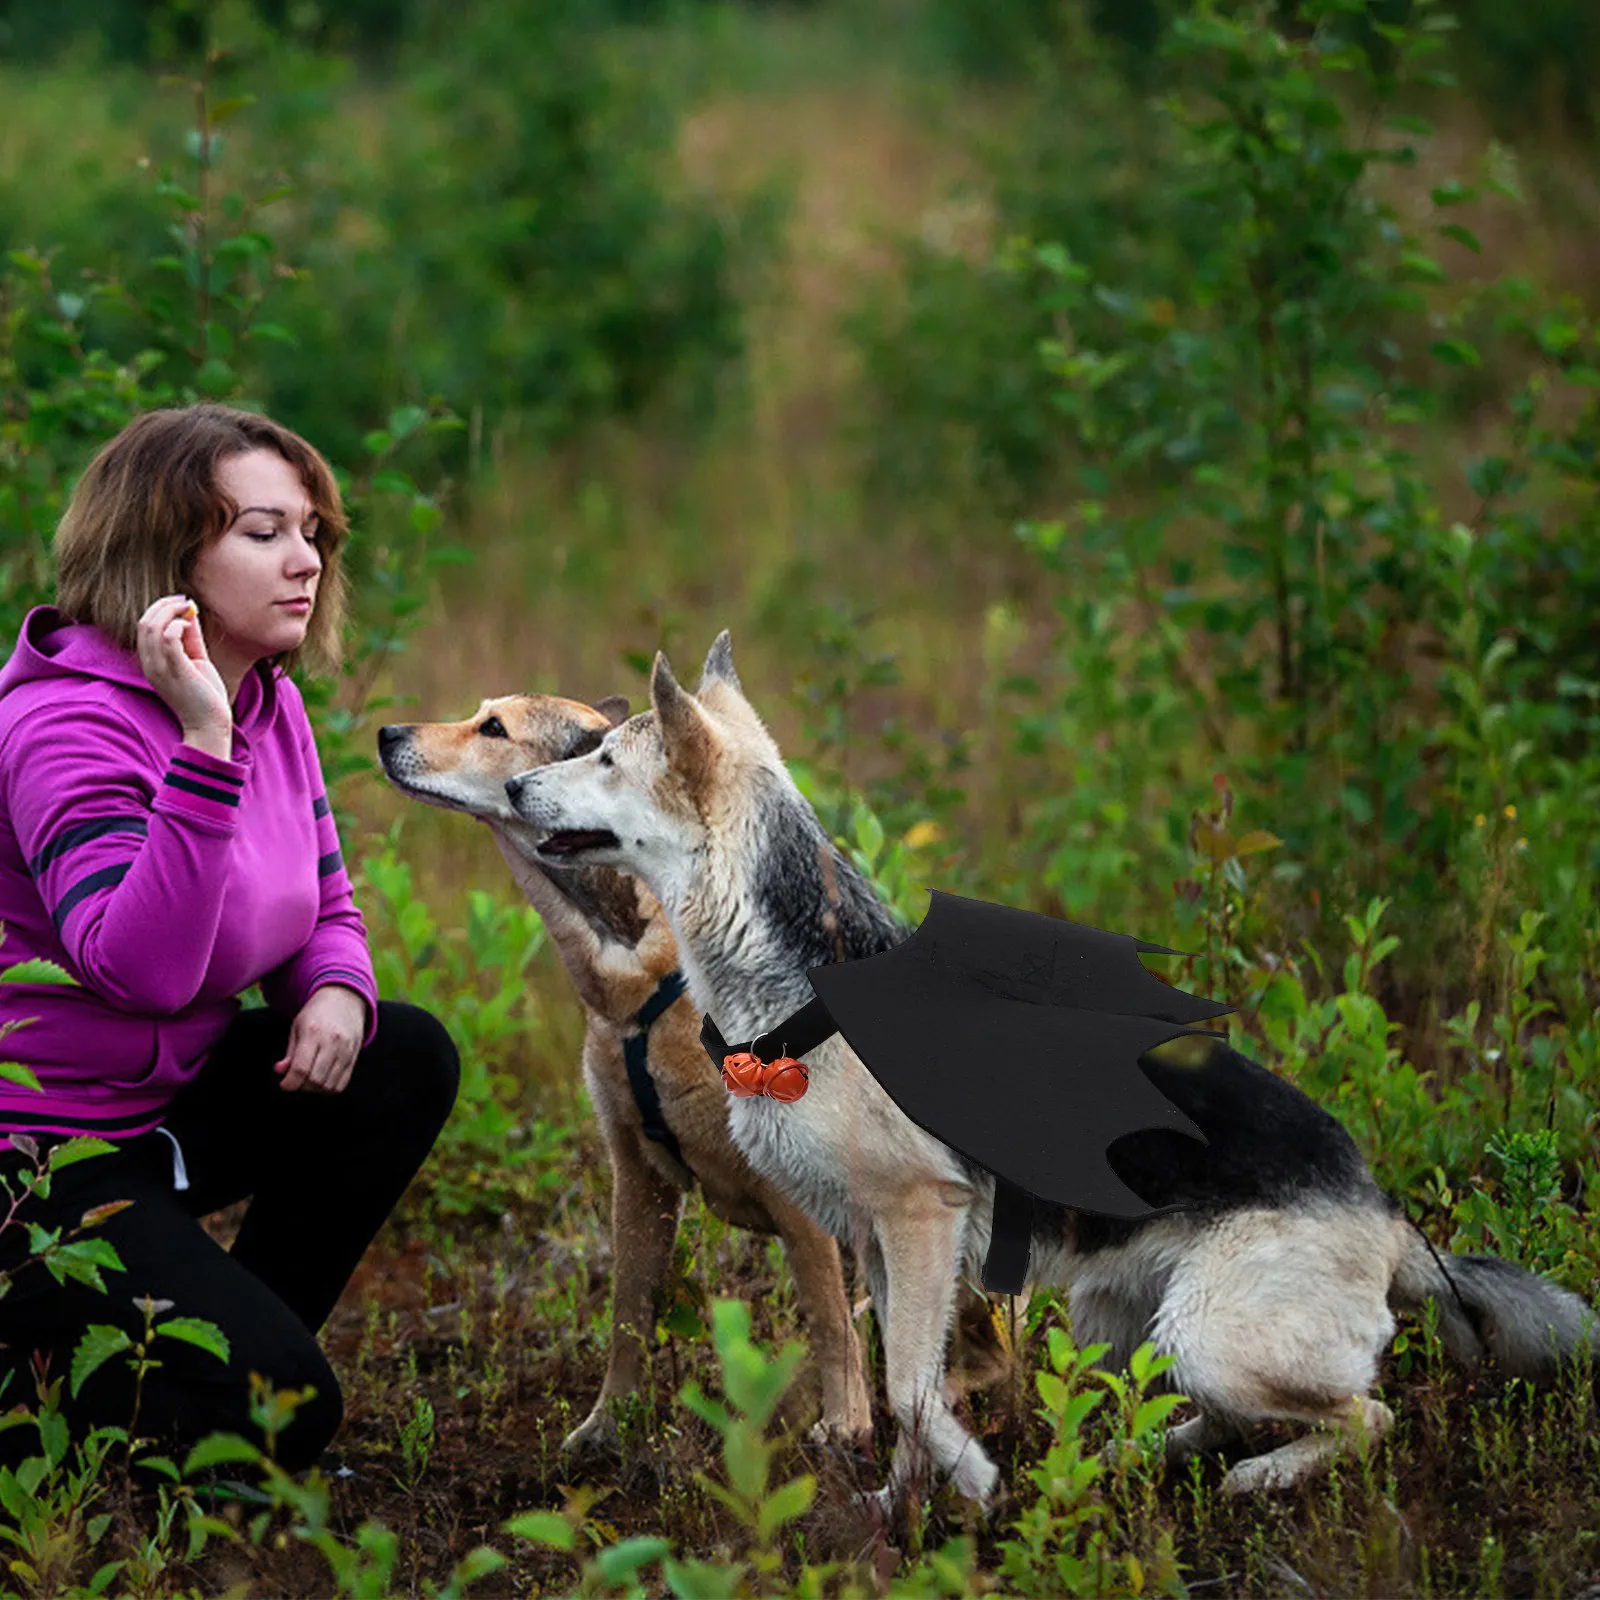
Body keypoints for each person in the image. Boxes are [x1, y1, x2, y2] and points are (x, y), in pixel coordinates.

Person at [0, 403, 460, 1473]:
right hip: (39, 1159)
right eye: (263, 533)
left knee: (402, 1053)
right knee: (289, 1411)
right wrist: (203, 748)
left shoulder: (265, 701)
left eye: (312, 532)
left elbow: (325, 902)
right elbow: (139, 969)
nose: (306, 561)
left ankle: (216, 1360)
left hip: (160, 1117)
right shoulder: (66, 725)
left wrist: (335, 988)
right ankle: (55, 1378)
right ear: (167, 552)